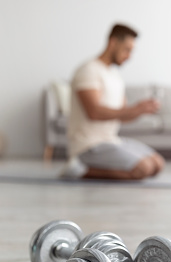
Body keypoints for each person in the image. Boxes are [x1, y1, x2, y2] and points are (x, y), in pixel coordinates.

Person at [62, 24, 165, 180]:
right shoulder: (88, 70)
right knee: (144, 168)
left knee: (157, 164)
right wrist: (136, 108)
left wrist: (141, 109)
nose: (129, 56)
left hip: (111, 141)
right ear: (113, 43)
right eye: (127, 49)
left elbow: (122, 115)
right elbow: (94, 112)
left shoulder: (115, 75)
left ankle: (87, 168)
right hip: (88, 145)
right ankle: (79, 168)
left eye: (132, 51)